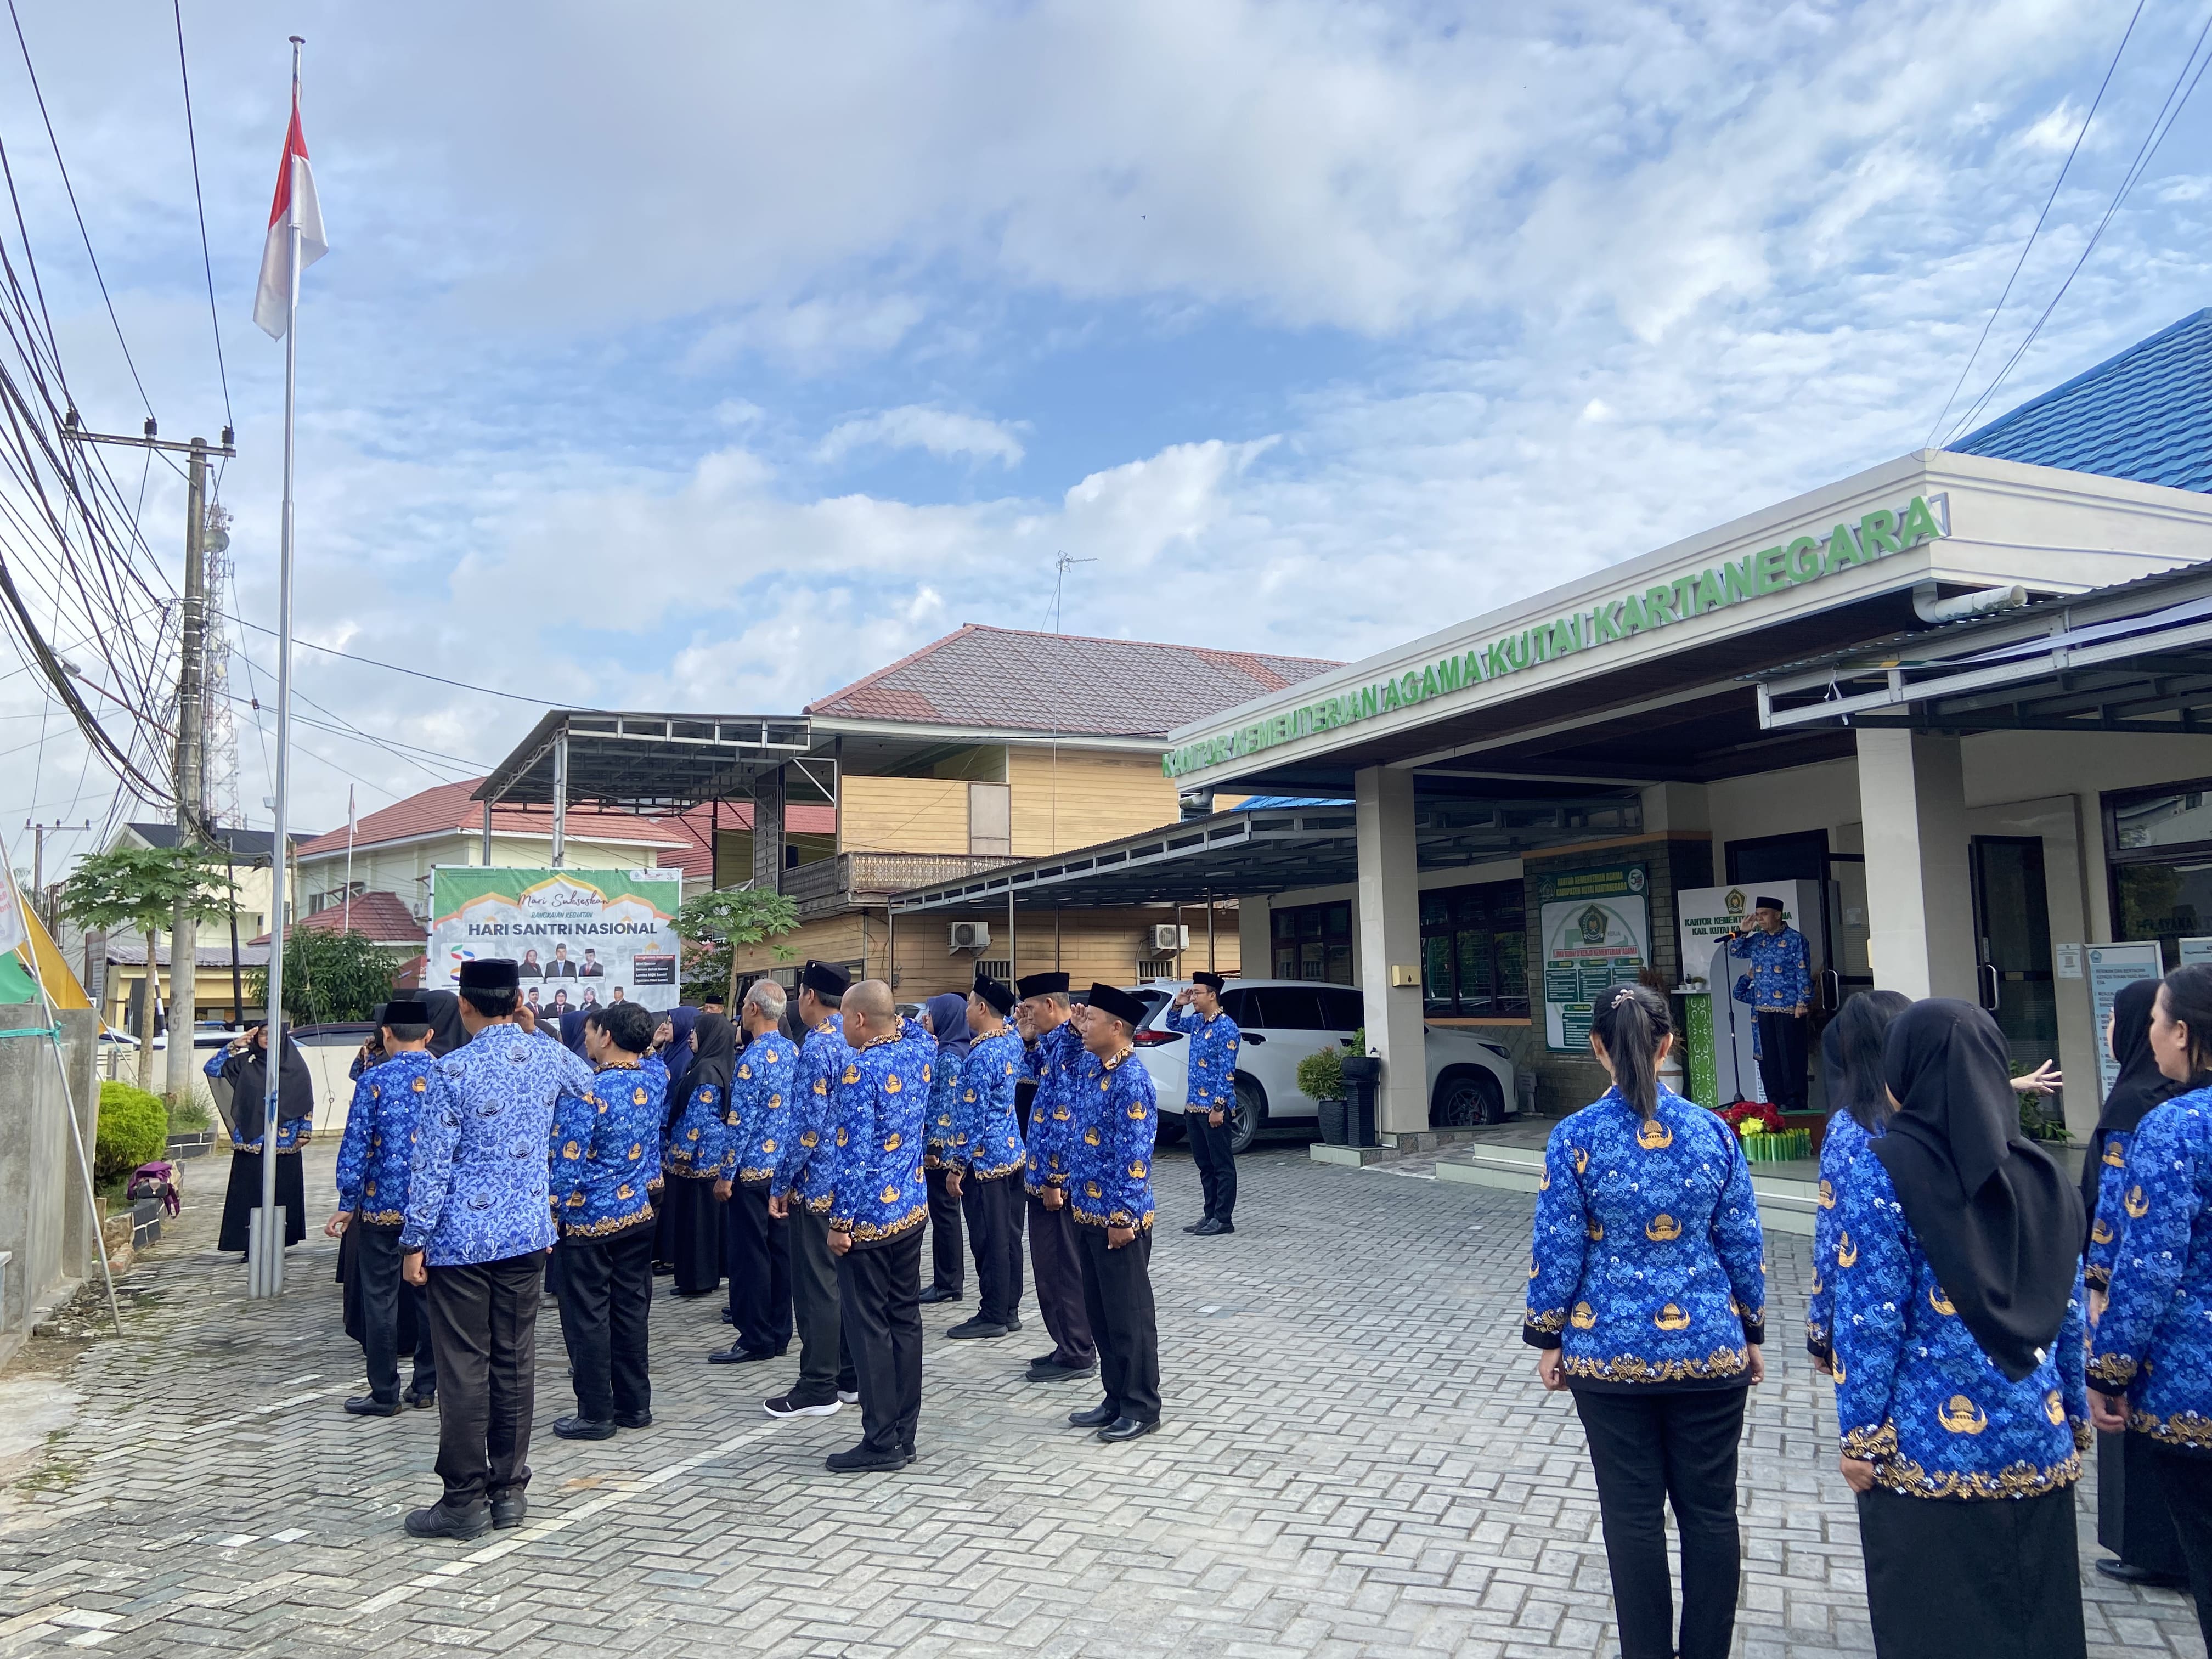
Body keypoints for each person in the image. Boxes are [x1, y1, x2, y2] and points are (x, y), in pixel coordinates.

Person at [1835, 998, 2089, 1659]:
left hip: (1925, 1458)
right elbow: (2068, 1316)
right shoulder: (2044, 1176)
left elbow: (1871, 1320)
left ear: (1907, 1075)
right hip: (2040, 1443)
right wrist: (2078, 1419)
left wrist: (1860, 1436)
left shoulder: (1885, 1169)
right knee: (2040, 1626)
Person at [1524, 983, 1767, 1659]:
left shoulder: (1574, 1138)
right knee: (1711, 1514)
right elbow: (1743, 1242)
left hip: (1607, 1354)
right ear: (1667, 1045)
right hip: (1709, 1353)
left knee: (1631, 1519)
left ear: (1597, 1047)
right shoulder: (1714, 1132)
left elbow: (1558, 1246)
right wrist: (1750, 1332)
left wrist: (1547, 1336)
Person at [398, 959, 592, 1541]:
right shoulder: (548, 1057)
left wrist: (413, 1241)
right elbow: (590, 1087)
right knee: (515, 1360)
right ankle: (508, 1491)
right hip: (528, 1235)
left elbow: (430, 1167)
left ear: (465, 1005)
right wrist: (536, 1034)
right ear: (518, 1002)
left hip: (460, 1242)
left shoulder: (451, 1071)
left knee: (464, 1366)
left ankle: (463, 1500)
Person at [2091, 962, 2212, 1648]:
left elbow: (2148, 1267)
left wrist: (2109, 1373)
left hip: (2196, 1388)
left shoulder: (2175, 1127)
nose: (2152, 1037)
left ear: (2185, 1033)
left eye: (2158, 1023)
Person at [2082, 977, 2190, 1589]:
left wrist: (2101, 1294)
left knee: (2136, 1423)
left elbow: (2120, 1216)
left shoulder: (2138, 1110)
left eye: (2151, 1017)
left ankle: (2151, 1547)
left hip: (2142, 1299)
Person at [820, 979, 933, 1472]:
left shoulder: (859, 1070)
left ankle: (881, 1439)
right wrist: (891, 1014)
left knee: (870, 1331)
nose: (841, 1026)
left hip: (867, 1221)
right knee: (905, 1321)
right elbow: (915, 1031)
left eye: (845, 1017)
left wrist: (839, 1222)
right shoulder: (918, 1054)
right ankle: (904, 1434)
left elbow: (853, 1155)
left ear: (859, 1020)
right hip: (910, 1210)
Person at [545, 999, 662, 1441]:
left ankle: (596, 1412)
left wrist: (551, 1212)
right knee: (631, 1310)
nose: (587, 1040)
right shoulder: (652, 1083)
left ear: (606, 1037)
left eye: (590, 1032)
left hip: (591, 1219)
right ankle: (635, 1405)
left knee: (588, 1317)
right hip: (636, 1212)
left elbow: (567, 1162)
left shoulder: (588, 1091)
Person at [329, 1000, 441, 1415]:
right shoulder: (449, 1075)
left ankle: (384, 1391)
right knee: (429, 1297)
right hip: (433, 1211)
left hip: (382, 1208)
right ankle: (426, 1385)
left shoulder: (374, 1081)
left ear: (386, 1035)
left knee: (381, 1300)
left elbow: (356, 1145)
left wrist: (347, 1201)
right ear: (428, 1036)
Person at [1062, 983, 1163, 1443]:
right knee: (1100, 1314)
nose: (1087, 1028)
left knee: (1130, 1316)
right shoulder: (1094, 1067)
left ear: (1117, 1028)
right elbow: (1059, 1056)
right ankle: (1114, 1397)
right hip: (1087, 1213)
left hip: (1118, 1221)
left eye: (1094, 1021)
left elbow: (1135, 1157)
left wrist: (1122, 1216)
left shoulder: (1131, 1080)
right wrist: (1072, 1023)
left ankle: (1141, 1406)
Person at [765, 961, 861, 1420]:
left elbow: (805, 1127)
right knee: (842, 1284)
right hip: (853, 1181)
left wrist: (781, 1182)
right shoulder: (860, 1038)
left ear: (807, 997)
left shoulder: (819, 1046)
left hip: (818, 1185)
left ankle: (818, 1384)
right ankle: (848, 1374)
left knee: (817, 1287)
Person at [1805, 990, 1911, 1369]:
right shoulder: (1953, 1120)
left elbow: (1833, 1234)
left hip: (1873, 1317)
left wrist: (1821, 1332)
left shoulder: (1851, 1130)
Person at [709, 980, 798, 1365]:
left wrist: (726, 1174)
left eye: (745, 1005)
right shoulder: (794, 1051)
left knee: (749, 1258)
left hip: (751, 1174)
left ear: (755, 1011)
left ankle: (755, 1336)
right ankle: (779, 1331)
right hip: (782, 1172)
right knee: (780, 1254)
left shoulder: (751, 1060)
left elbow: (739, 1124)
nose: (742, 1012)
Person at [1015, 972, 1097, 1385]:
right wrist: (1029, 1039)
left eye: (1029, 1009)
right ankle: (1067, 1341)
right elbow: (1031, 1075)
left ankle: (1078, 1350)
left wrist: (1053, 1178)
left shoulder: (1072, 1046)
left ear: (1051, 1005)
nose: (1024, 1016)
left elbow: (1066, 1120)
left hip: (1057, 1182)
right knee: (1049, 1269)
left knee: (1062, 1268)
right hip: (1042, 1177)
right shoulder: (1053, 1042)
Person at [944, 974, 1027, 1340]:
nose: (965, 1011)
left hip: (984, 1162)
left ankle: (992, 1313)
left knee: (988, 1238)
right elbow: (1010, 1022)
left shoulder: (980, 1055)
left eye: (969, 1003)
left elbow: (969, 1118)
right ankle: (1009, 1309)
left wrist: (956, 1166)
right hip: (1011, 1155)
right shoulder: (1010, 1042)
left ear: (981, 1008)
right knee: (1009, 1236)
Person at [207, 1023, 314, 1256]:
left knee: (281, 1193)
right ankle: (250, 1245)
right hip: (251, 1141)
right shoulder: (246, 1062)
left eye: (274, 1034)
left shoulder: (294, 1065)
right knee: (250, 1193)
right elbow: (212, 1068)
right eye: (264, 1034)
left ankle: (277, 1244)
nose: (268, 1038)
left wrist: (305, 1130)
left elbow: (305, 1098)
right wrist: (235, 1045)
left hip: (285, 1143)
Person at [661, 1011, 732, 1297]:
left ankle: (699, 1280)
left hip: (699, 1159)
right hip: (703, 1158)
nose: (691, 1036)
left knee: (697, 1222)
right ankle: (697, 1277)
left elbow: (697, 1120)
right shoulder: (705, 1065)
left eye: (696, 1031)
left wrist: (680, 1153)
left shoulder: (706, 1072)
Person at [1164, 973, 1240, 1235]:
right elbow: (1171, 1022)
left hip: (1214, 1108)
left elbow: (1227, 1072)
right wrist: (1179, 1003)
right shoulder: (1198, 1022)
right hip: (1194, 1105)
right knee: (1204, 1164)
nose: (1193, 997)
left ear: (1212, 995)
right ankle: (1209, 1215)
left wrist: (1219, 1107)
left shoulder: (1226, 1027)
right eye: (1192, 993)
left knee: (1221, 1164)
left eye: (1197, 993)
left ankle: (1223, 1219)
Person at [1723, 896, 1811, 1112]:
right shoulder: (1758, 940)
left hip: (1790, 1007)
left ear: (1778, 915)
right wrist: (1744, 932)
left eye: (1764, 914)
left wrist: (1803, 1002)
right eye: (1758, 914)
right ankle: (1774, 1101)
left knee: (1791, 1056)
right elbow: (1736, 952)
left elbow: (1803, 972)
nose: (1760, 919)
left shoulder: (1795, 940)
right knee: (1770, 1057)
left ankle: (1795, 1101)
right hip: (1763, 1006)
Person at [918, 991, 972, 1306]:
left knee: (945, 1216)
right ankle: (946, 1280)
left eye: (931, 1013)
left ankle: (948, 1282)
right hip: (945, 1148)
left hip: (942, 1152)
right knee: (944, 1216)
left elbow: (947, 1108)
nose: (926, 1018)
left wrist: (935, 1149)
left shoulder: (951, 1057)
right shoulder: (950, 1050)